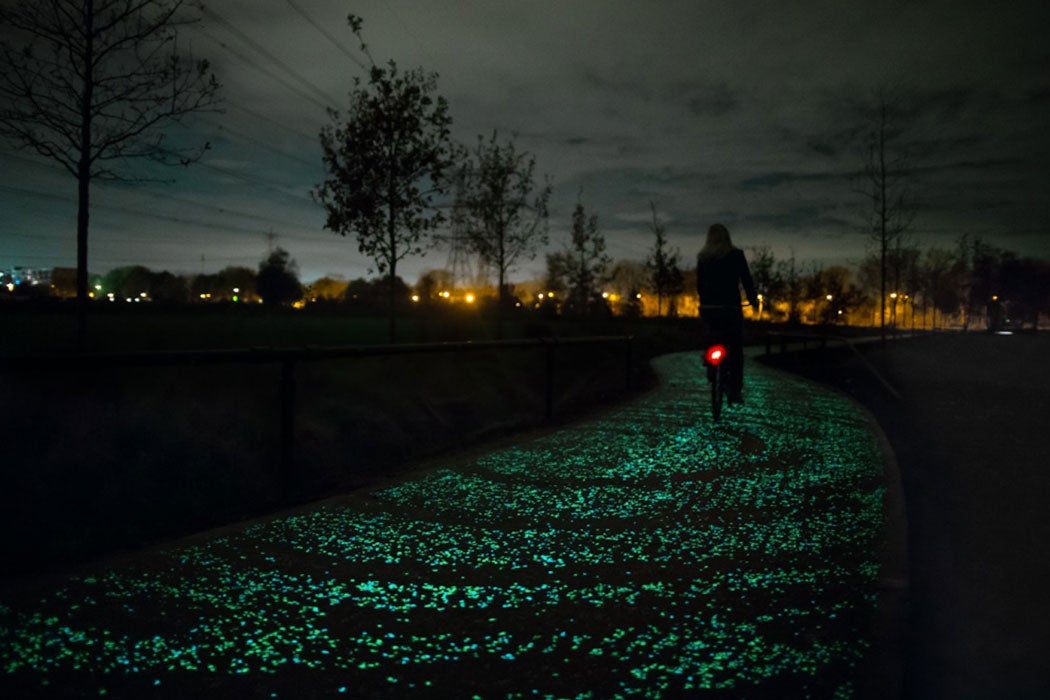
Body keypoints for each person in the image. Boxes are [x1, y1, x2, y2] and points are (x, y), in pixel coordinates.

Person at [696, 223, 758, 403]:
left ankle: (709, 363)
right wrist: (752, 300)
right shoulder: (736, 255)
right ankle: (735, 390)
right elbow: (746, 279)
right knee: (735, 347)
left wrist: (704, 302)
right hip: (730, 307)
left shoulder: (703, 257)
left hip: (709, 307)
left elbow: (700, 285)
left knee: (710, 333)